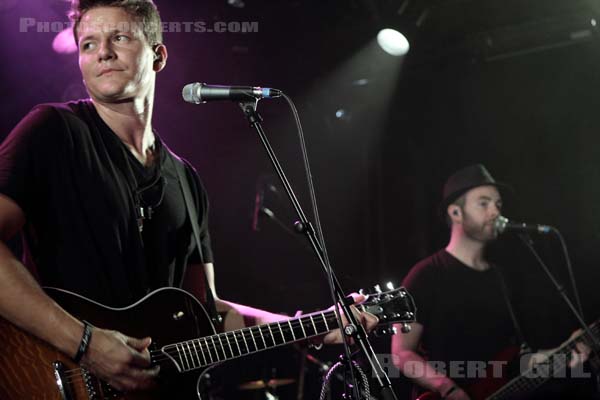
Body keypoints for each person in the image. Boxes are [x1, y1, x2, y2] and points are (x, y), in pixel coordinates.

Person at [0, 0, 377, 396]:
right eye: (89, 44)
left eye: (120, 38)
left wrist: (315, 327)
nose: (103, 52)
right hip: (50, 377)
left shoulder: (184, 180)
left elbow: (210, 313)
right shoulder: (53, 132)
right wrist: (86, 343)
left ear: (158, 56)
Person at [390, 164, 591, 400]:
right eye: (483, 203)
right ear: (455, 212)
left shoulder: (501, 277)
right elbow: (401, 353)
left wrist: (563, 353)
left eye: (498, 204)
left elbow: (517, 363)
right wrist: (448, 388)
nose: (495, 211)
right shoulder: (427, 275)